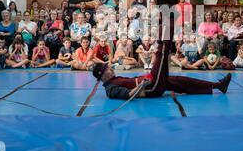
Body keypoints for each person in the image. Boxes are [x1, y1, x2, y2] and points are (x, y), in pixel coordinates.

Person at [91, 27, 232, 100]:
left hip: (149, 82)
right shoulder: (111, 89)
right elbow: (129, 95)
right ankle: (166, 33)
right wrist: (142, 85)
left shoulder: (113, 79)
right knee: (161, 55)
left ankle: (219, 86)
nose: (110, 68)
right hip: (151, 88)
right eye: (107, 69)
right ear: (102, 76)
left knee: (183, 81)